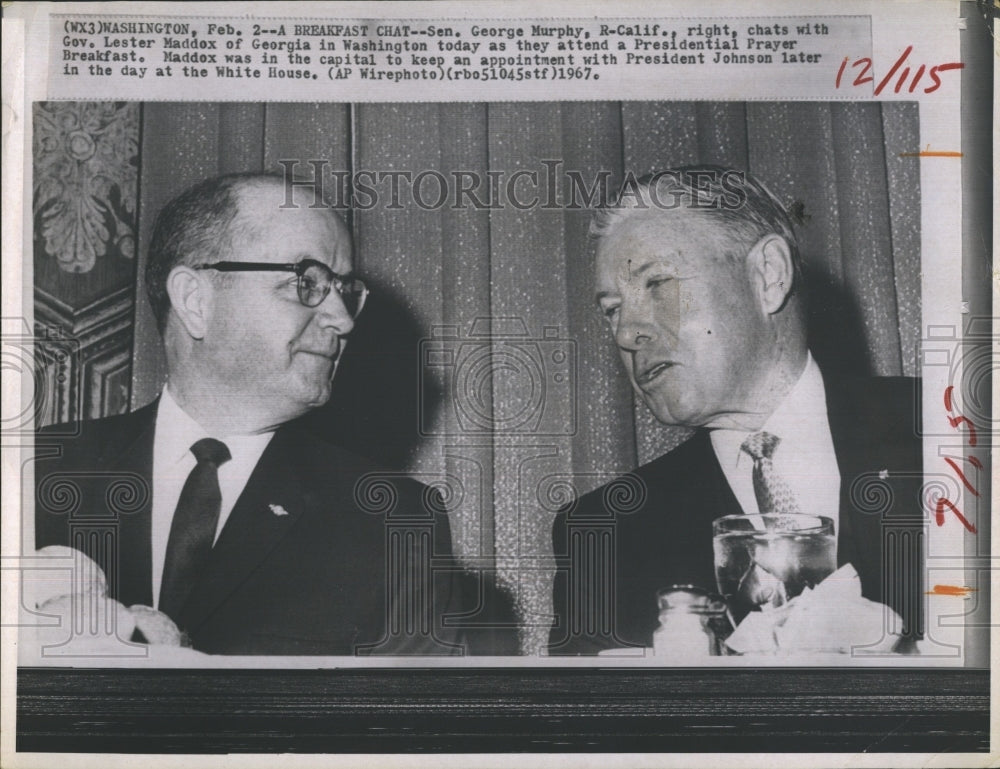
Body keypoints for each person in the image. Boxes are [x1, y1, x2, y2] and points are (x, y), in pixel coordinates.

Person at [34, 172, 466, 656]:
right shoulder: (35, 471)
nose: (343, 320)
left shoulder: (395, 521)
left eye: (344, 290)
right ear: (195, 300)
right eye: (307, 282)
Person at [549, 166, 923, 655]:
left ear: (769, 276)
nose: (627, 333)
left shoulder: (953, 429)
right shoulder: (604, 535)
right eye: (613, 309)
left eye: (657, 283)